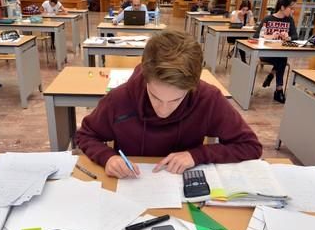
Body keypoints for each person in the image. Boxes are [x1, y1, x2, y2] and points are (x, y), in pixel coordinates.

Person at [75, 30, 263, 179]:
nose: (163, 111)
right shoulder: (119, 98)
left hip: (183, 193)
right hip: (130, 185)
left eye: (176, 100)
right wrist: (107, 157)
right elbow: (85, 136)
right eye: (155, 97)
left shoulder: (208, 98)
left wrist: (198, 155)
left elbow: (250, 146)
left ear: (192, 88)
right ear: (146, 80)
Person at [253, 0, 298, 104]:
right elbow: (256, 36)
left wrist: (288, 37)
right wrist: (269, 36)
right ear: (282, 7)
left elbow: (296, 36)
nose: (293, 11)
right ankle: (278, 89)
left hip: (280, 53)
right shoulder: (268, 19)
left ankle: (277, 86)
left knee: (282, 58)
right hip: (266, 53)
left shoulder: (289, 20)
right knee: (282, 59)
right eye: (291, 8)